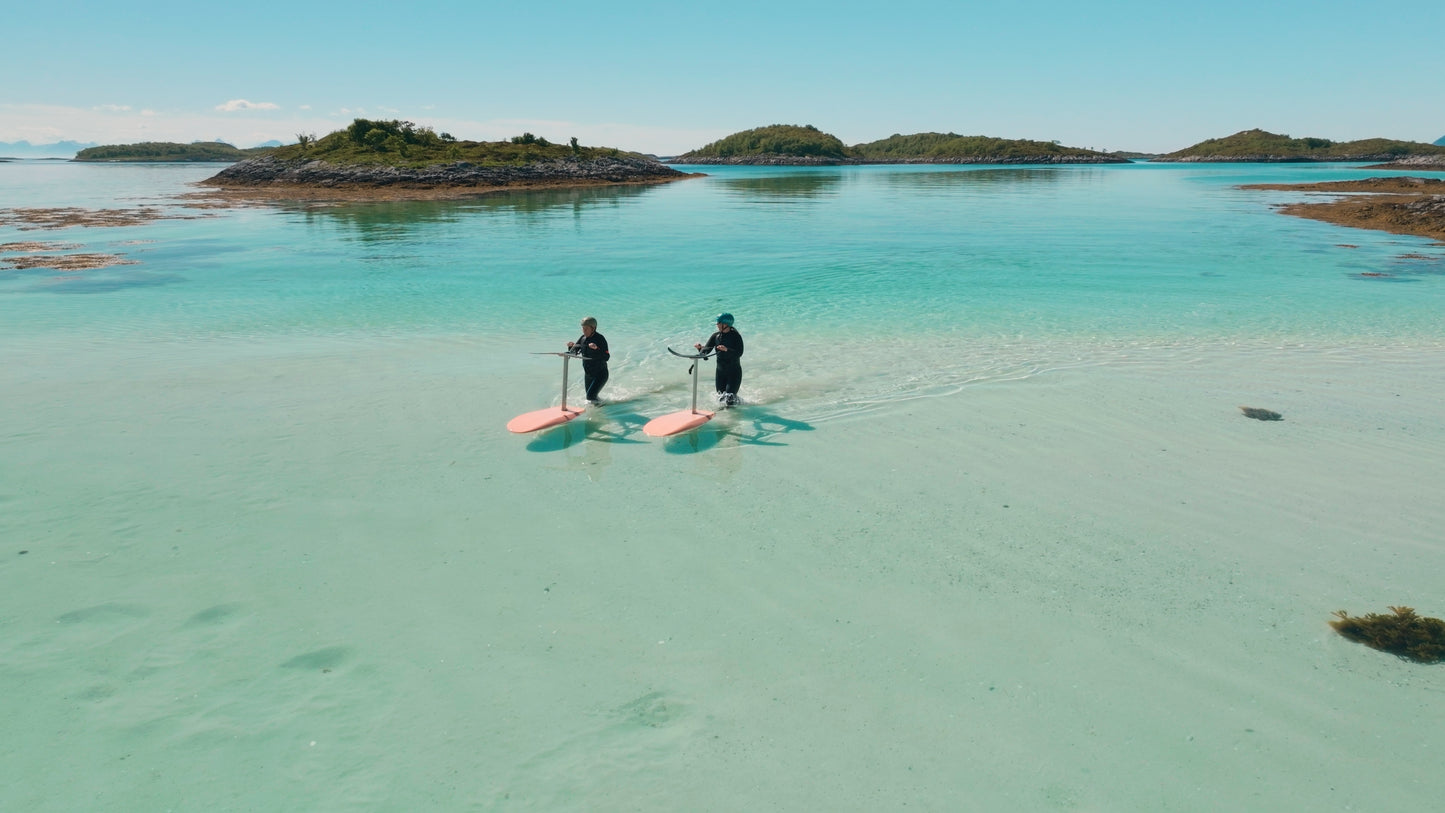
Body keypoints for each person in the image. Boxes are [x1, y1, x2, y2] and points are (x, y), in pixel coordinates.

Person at [694, 312, 744, 406]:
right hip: (720, 372)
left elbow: (739, 353)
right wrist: (700, 349)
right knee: (720, 398)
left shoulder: (736, 336)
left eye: (719, 323)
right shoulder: (716, 336)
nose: (717, 325)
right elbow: (707, 351)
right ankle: (722, 416)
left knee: (730, 399)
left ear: (726, 324)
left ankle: (732, 417)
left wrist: (726, 349)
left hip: (734, 372)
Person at [567, 316, 609, 404]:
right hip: (588, 374)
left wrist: (596, 348)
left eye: (586, 329)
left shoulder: (600, 339)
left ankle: (601, 412)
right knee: (591, 397)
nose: (584, 331)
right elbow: (575, 352)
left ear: (593, 328)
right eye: (583, 328)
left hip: (600, 374)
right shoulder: (582, 338)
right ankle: (601, 407)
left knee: (590, 397)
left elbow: (607, 357)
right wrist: (571, 347)